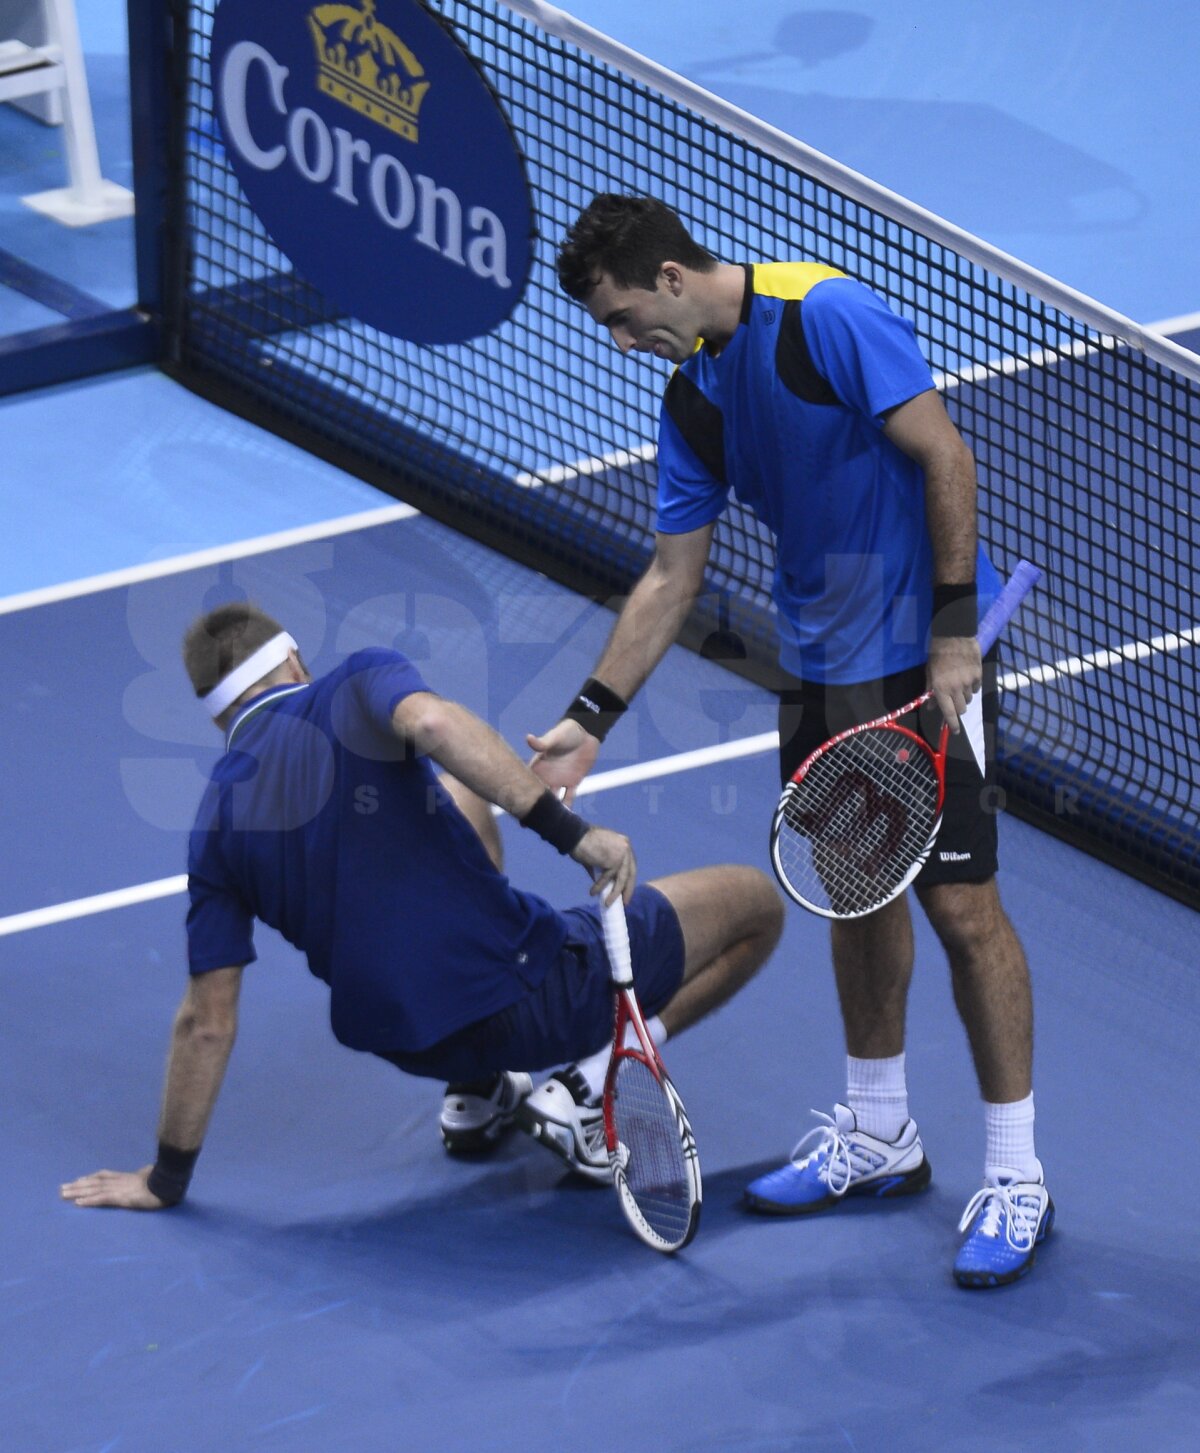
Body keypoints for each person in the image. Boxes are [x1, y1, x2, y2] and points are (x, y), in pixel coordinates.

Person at [526, 194, 1054, 1288]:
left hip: (924, 653)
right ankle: (878, 1131)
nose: (623, 343)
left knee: (962, 909)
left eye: (625, 317)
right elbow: (674, 574)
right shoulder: (696, 397)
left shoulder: (826, 315)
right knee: (857, 897)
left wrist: (956, 633)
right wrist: (588, 717)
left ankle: (1017, 1172)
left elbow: (946, 458)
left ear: (671, 276)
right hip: (822, 669)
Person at [60, 603, 783, 1213]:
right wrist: (576, 834)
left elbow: (205, 1022)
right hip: (536, 998)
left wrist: (166, 1177)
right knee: (755, 906)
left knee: (459, 799)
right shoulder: (351, 683)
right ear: (294, 664)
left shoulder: (213, 824)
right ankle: (590, 1087)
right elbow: (434, 724)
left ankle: (476, 1090)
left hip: (411, 1043)